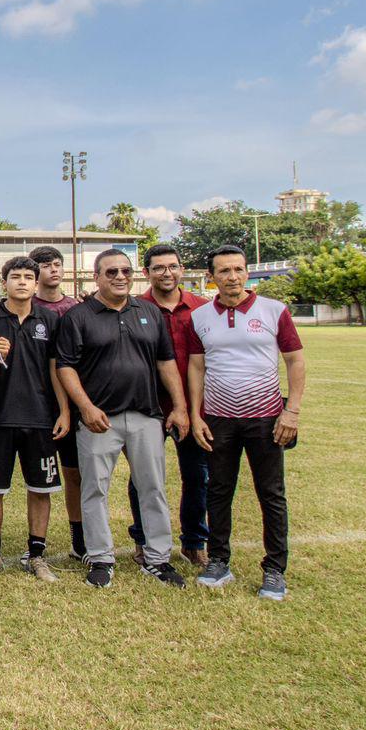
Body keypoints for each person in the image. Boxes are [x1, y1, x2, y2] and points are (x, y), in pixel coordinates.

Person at [55, 250, 190, 590]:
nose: (120, 277)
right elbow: (66, 366)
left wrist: (179, 406)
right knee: (94, 489)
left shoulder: (148, 312)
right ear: (96, 277)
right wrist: (86, 407)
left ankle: (157, 558)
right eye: (111, 271)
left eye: (125, 271)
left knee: (152, 487)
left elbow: (165, 362)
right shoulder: (78, 316)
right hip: (99, 419)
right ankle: (100, 557)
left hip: (146, 415)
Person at [187, 245, 306, 601]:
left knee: (271, 493)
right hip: (219, 419)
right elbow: (196, 367)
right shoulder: (200, 317)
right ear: (212, 276)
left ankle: (275, 569)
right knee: (218, 490)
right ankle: (218, 561)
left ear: (247, 272)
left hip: (266, 418)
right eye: (224, 271)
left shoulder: (274, 310)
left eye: (238, 269)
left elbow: (295, 361)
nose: (232, 277)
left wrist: (291, 411)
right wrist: (196, 415)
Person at [0, 256, 71, 583]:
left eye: (28, 277)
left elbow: (56, 367)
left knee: (41, 488)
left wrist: (64, 410)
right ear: (3, 281)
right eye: (15, 276)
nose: (22, 282)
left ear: (36, 282)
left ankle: (37, 555)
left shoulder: (50, 318)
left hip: (40, 418)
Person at [126, 243, 212, 568]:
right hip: (148, 406)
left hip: (194, 407)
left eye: (173, 266)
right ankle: (143, 539)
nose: (167, 273)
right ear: (146, 272)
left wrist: (191, 408)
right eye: (159, 267)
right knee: (143, 477)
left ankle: (194, 542)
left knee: (198, 475)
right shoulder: (133, 308)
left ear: (181, 269)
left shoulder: (202, 309)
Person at [30, 244, 86, 559]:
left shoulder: (77, 307)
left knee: (74, 473)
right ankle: (37, 542)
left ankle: (80, 539)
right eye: (45, 265)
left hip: (73, 404)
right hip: (37, 405)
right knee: (39, 479)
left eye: (57, 264)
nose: (53, 269)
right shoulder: (23, 305)